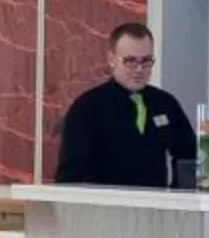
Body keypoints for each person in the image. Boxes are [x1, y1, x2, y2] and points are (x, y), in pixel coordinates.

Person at [54, 21, 195, 187]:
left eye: (146, 60)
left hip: (156, 201)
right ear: (111, 60)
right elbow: (70, 174)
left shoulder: (165, 103)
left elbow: (189, 154)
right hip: (106, 201)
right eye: (130, 61)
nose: (139, 69)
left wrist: (178, 194)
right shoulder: (87, 108)